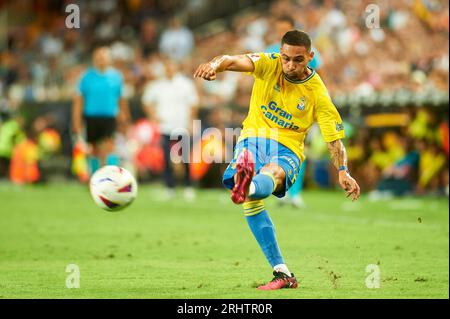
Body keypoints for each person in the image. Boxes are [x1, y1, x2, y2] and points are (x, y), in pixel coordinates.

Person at [194, 30, 360, 290]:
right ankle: (282, 272)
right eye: (286, 58)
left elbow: (334, 139)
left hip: (288, 149)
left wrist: (343, 170)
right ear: (280, 54)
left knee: (272, 173)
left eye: (298, 60)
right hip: (254, 138)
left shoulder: (317, 92)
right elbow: (230, 60)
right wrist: (213, 65)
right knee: (253, 199)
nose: (290, 65)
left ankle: (246, 185)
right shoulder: (269, 63)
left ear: (310, 57)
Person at [266, 15, 323, 207]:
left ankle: (296, 193)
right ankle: (281, 191)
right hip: (276, 111)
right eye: (279, 29)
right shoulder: (271, 52)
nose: (281, 32)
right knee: (275, 152)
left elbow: (317, 77)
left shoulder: (305, 52)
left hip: (300, 109)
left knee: (299, 150)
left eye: (285, 28)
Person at [142, 58, 199, 200]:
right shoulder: (158, 85)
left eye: (171, 66)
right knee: (166, 158)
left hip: (182, 125)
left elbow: (193, 104)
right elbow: (147, 101)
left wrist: (191, 121)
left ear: (176, 67)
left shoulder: (185, 84)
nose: (169, 69)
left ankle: (188, 186)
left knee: (185, 158)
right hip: (165, 126)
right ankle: (169, 187)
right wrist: (153, 116)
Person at [72, 47, 130, 175]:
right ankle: (95, 177)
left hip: (109, 116)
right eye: (98, 57)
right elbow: (79, 101)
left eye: (103, 57)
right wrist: (76, 121)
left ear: (109, 59)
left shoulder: (116, 77)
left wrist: (125, 117)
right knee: (93, 149)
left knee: (110, 146)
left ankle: (111, 177)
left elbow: (121, 99)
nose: (101, 60)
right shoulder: (86, 77)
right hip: (91, 116)